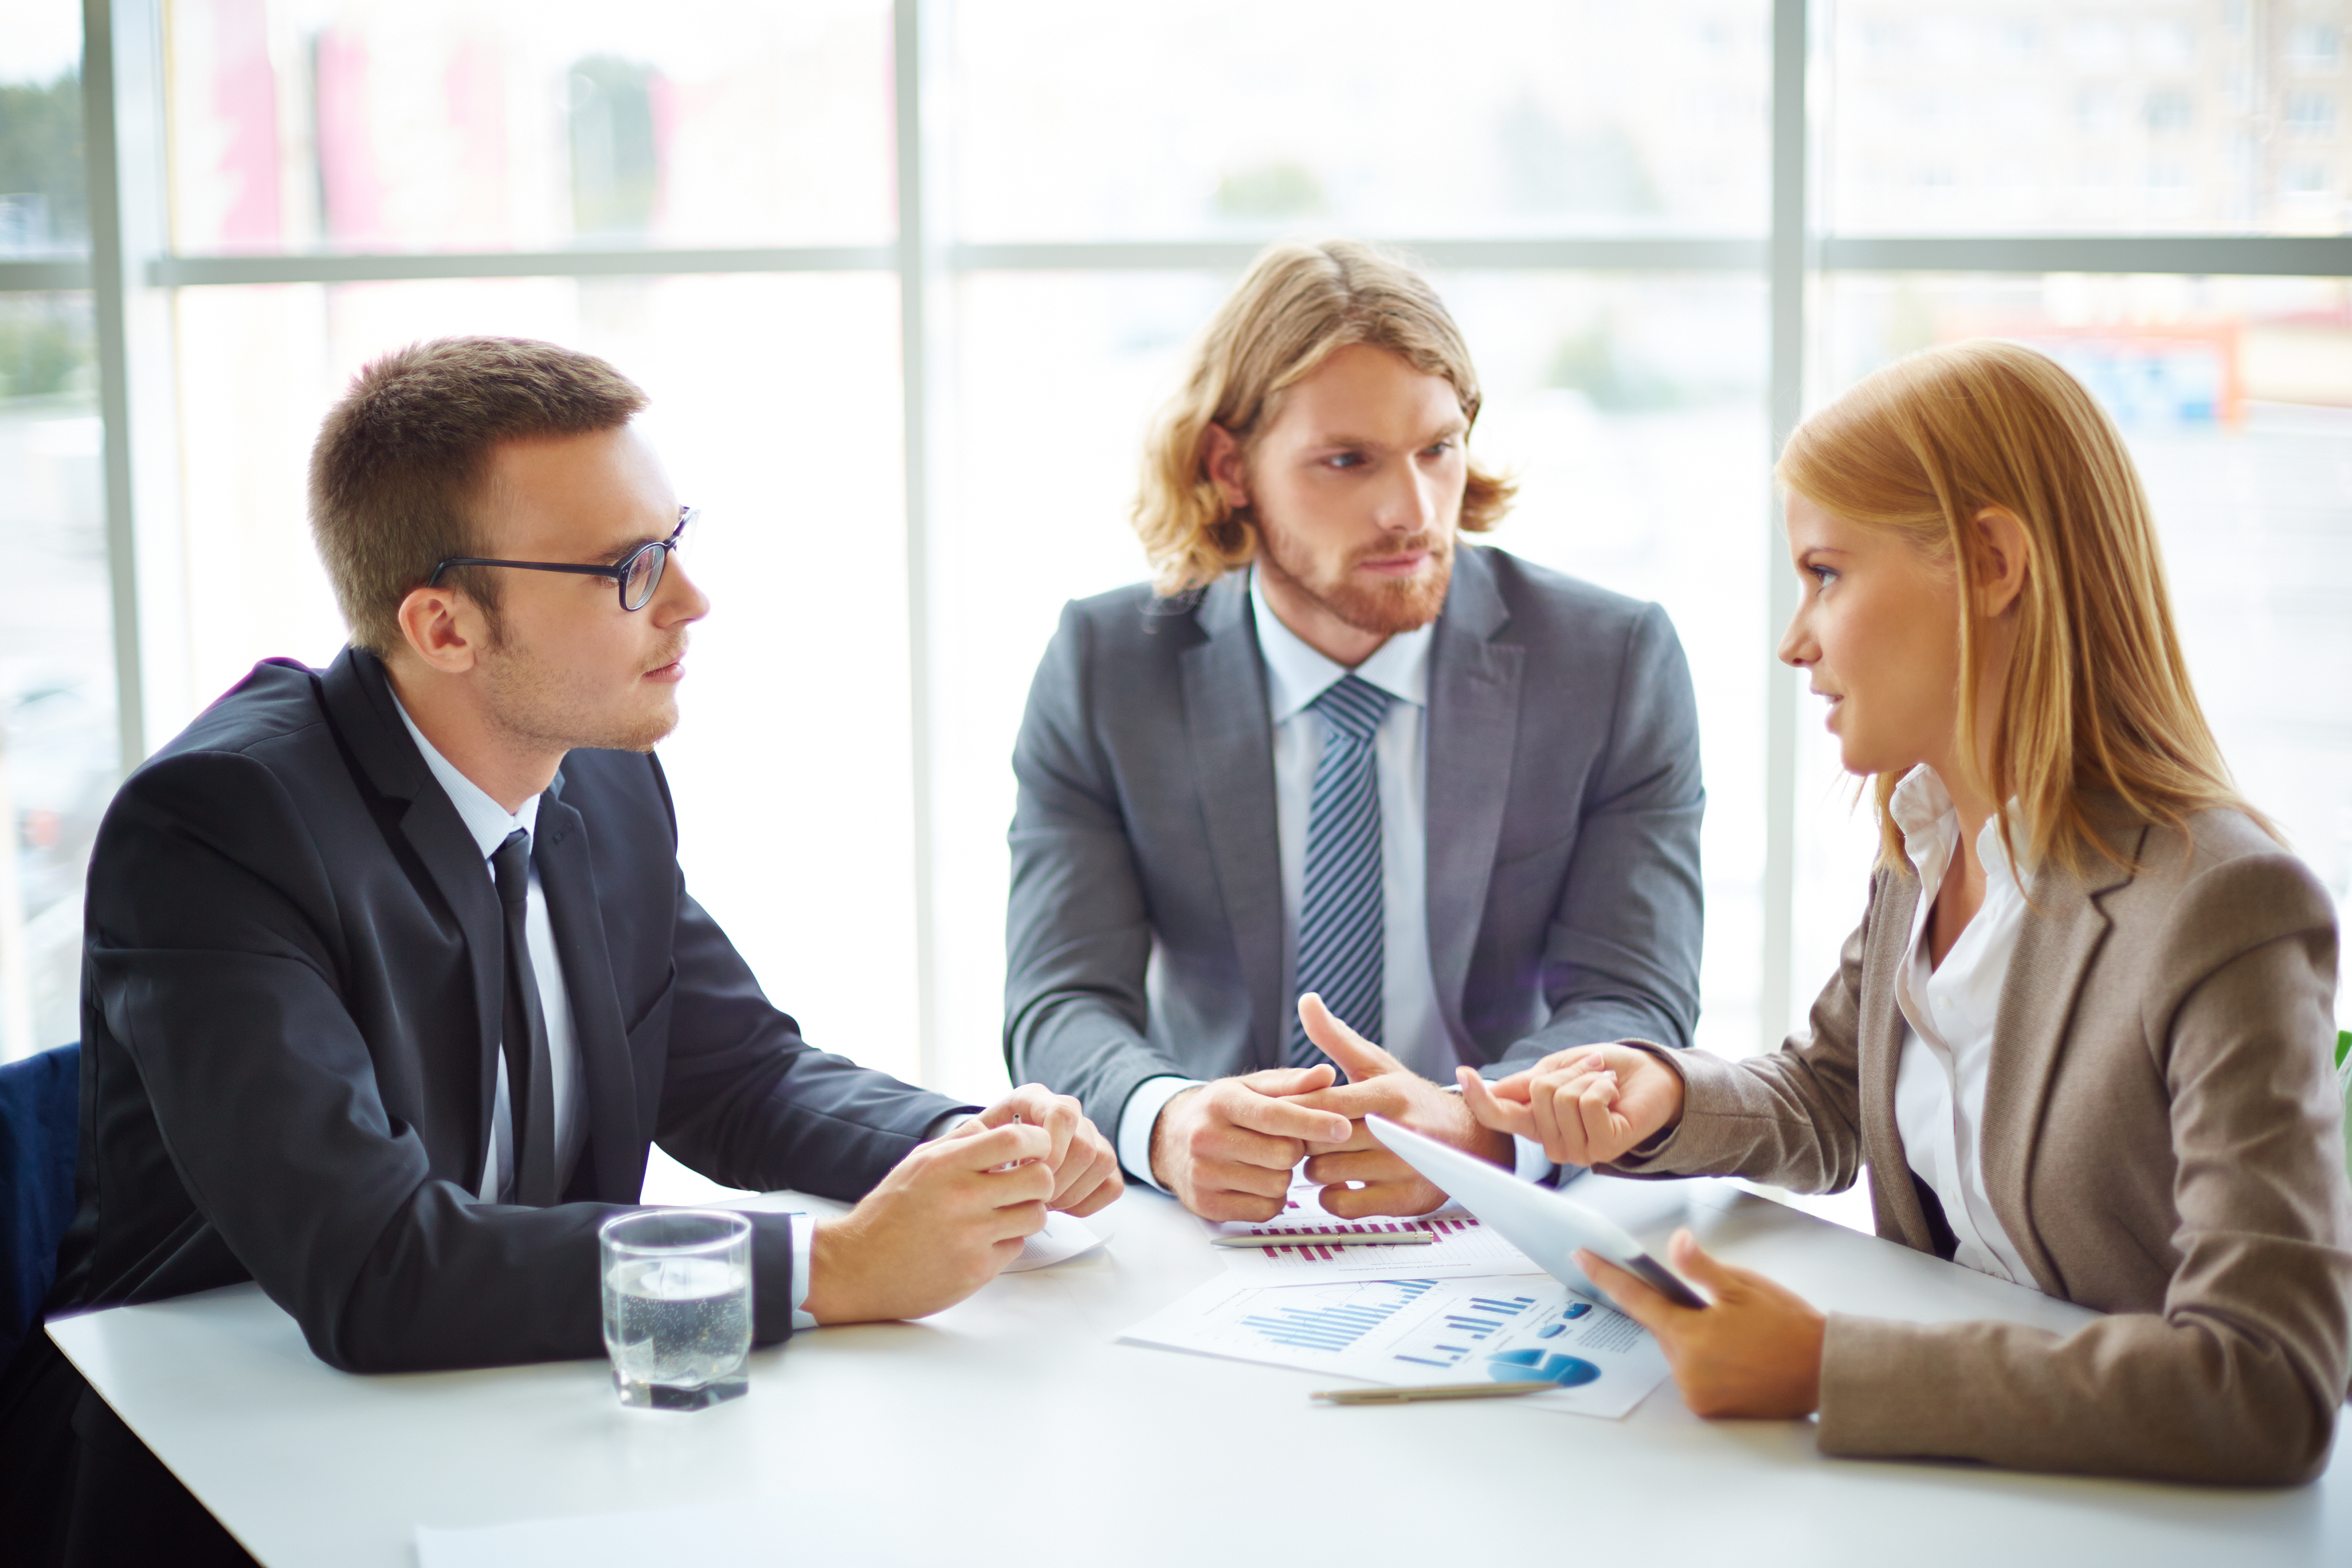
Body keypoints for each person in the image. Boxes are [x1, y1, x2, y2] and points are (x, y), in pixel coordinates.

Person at [0, 336, 1120, 1564]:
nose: (690, 598)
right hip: (229, 1485)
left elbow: (738, 1071)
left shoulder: (602, 777)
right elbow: (374, 1266)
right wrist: (836, 1265)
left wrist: (961, 1146)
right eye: (628, 569)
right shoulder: (221, 827)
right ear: (443, 626)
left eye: (675, 538)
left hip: (522, 1428)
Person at [1462, 339, 2352, 1484]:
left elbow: (2267, 1380)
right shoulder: (1926, 846)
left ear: (1989, 560)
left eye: (1825, 573)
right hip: (1949, 1479)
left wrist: (1829, 1367)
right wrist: (1664, 1092)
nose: (1794, 638)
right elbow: (1827, 1092)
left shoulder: (2223, 905)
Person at [1005, 240, 1704, 1222]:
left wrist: (1481, 1129)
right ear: (1229, 465)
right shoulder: (1106, 666)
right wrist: (1167, 1121)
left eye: (1437, 449)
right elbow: (1060, 1000)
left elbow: (1635, 998)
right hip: (1215, 1220)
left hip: (1504, 1218)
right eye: (1348, 461)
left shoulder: (1611, 663)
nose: (1412, 512)